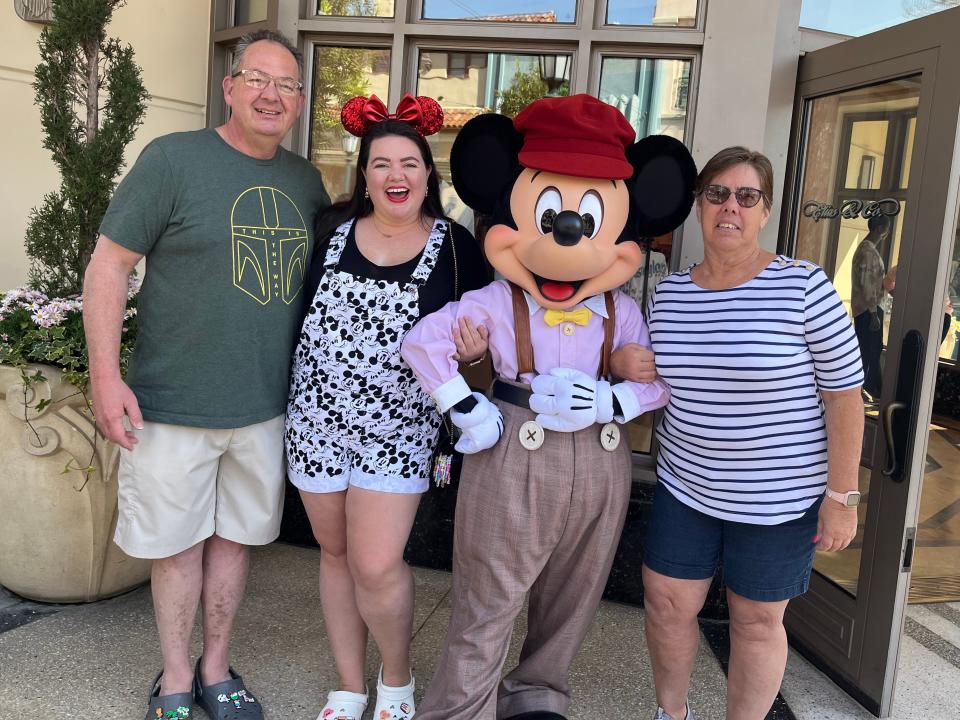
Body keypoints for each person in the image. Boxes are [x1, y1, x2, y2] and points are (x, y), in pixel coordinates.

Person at [400, 96, 692, 720]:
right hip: (513, 451)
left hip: (601, 462)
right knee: (489, 597)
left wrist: (613, 398)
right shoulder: (494, 299)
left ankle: (538, 695)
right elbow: (422, 342)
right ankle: (459, 709)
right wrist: (465, 409)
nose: (568, 235)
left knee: (574, 593)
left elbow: (658, 382)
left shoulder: (624, 311)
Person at [83, 30, 329, 720]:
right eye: (258, 78)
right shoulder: (173, 161)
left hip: (262, 405)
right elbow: (108, 266)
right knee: (175, 548)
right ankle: (173, 680)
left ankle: (216, 669)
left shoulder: (305, 181)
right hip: (172, 404)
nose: (271, 94)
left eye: (287, 84)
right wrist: (106, 376)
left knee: (236, 543)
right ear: (230, 87)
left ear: (300, 100)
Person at [284, 93, 490, 720]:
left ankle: (395, 681)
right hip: (315, 419)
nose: (395, 175)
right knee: (337, 554)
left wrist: (476, 357)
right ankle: (348, 686)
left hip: (398, 429)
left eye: (409, 163)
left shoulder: (456, 247)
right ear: (364, 175)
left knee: (376, 563)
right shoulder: (327, 232)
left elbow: (484, 350)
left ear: (429, 175)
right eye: (381, 164)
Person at [643, 147, 865, 720]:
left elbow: (844, 398)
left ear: (765, 210)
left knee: (757, 620)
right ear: (699, 206)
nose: (730, 207)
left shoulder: (805, 287)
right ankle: (673, 714)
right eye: (716, 194)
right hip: (686, 486)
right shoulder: (670, 296)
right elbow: (654, 380)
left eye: (747, 196)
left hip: (779, 498)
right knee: (667, 605)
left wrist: (841, 498)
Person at [851, 214, 893, 399]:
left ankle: (870, 390)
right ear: (879, 229)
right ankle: (867, 390)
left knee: (871, 349)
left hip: (868, 309)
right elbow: (867, 284)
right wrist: (873, 313)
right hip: (869, 310)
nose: (887, 232)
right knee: (869, 350)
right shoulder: (867, 252)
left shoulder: (867, 250)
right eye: (886, 228)